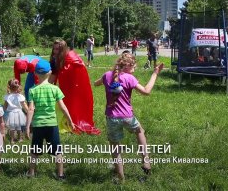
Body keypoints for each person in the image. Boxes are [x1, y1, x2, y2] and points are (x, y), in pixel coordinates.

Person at [94, 53, 164, 182]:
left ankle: (121, 178)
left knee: (115, 147)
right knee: (140, 131)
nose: (135, 67)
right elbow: (146, 91)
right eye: (134, 65)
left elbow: (95, 83)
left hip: (111, 118)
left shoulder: (107, 75)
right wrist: (155, 73)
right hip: (127, 117)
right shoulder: (129, 78)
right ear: (127, 66)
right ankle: (146, 162)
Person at [26, 59, 75, 179]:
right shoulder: (55, 89)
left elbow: (31, 109)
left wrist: (27, 126)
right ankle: (60, 174)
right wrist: (70, 120)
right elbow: (63, 107)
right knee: (58, 151)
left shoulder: (32, 90)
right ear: (50, 73)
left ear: (36, 74)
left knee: (34, 151)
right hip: (52, 124)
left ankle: (31, 174)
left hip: (38, 125)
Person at [49, 39, 100, 135]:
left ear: (63, 50)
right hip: (64, 85)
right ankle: (68, 120)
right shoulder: (55, 59)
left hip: (75, 85)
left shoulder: (71, 58)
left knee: (74, 103)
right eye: (54, 49)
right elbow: (54, 74)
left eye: (57, 49)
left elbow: (80, 68)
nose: (55, 51)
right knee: (65, 102)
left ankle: (75, 121)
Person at [3, 79, 28, 144]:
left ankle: (12, 140)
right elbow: (24, 105)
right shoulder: (20, 96)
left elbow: (5, 105)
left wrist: (2, 112)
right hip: (19, 113)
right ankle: (20, 138)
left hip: (11, 113)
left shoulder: (8, 96)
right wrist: (28, 111)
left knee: (12, 127)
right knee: (19, 126)